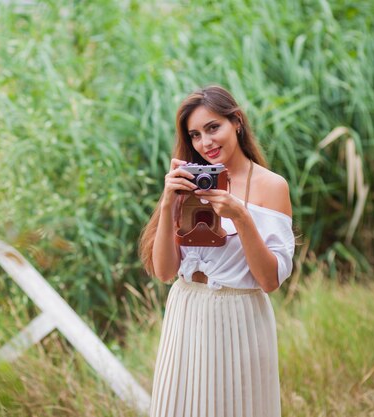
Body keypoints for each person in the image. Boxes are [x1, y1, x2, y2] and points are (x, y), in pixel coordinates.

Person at [139, 85, 295, 417]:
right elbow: (166, 273)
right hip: (186, 310)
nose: (205, 142)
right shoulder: (190, 183)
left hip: (240, 317)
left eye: (213, 128)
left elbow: (269, 281)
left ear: (236, 122)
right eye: (195, 135)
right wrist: (168, 204)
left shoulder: (272, 186)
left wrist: (240, 215)